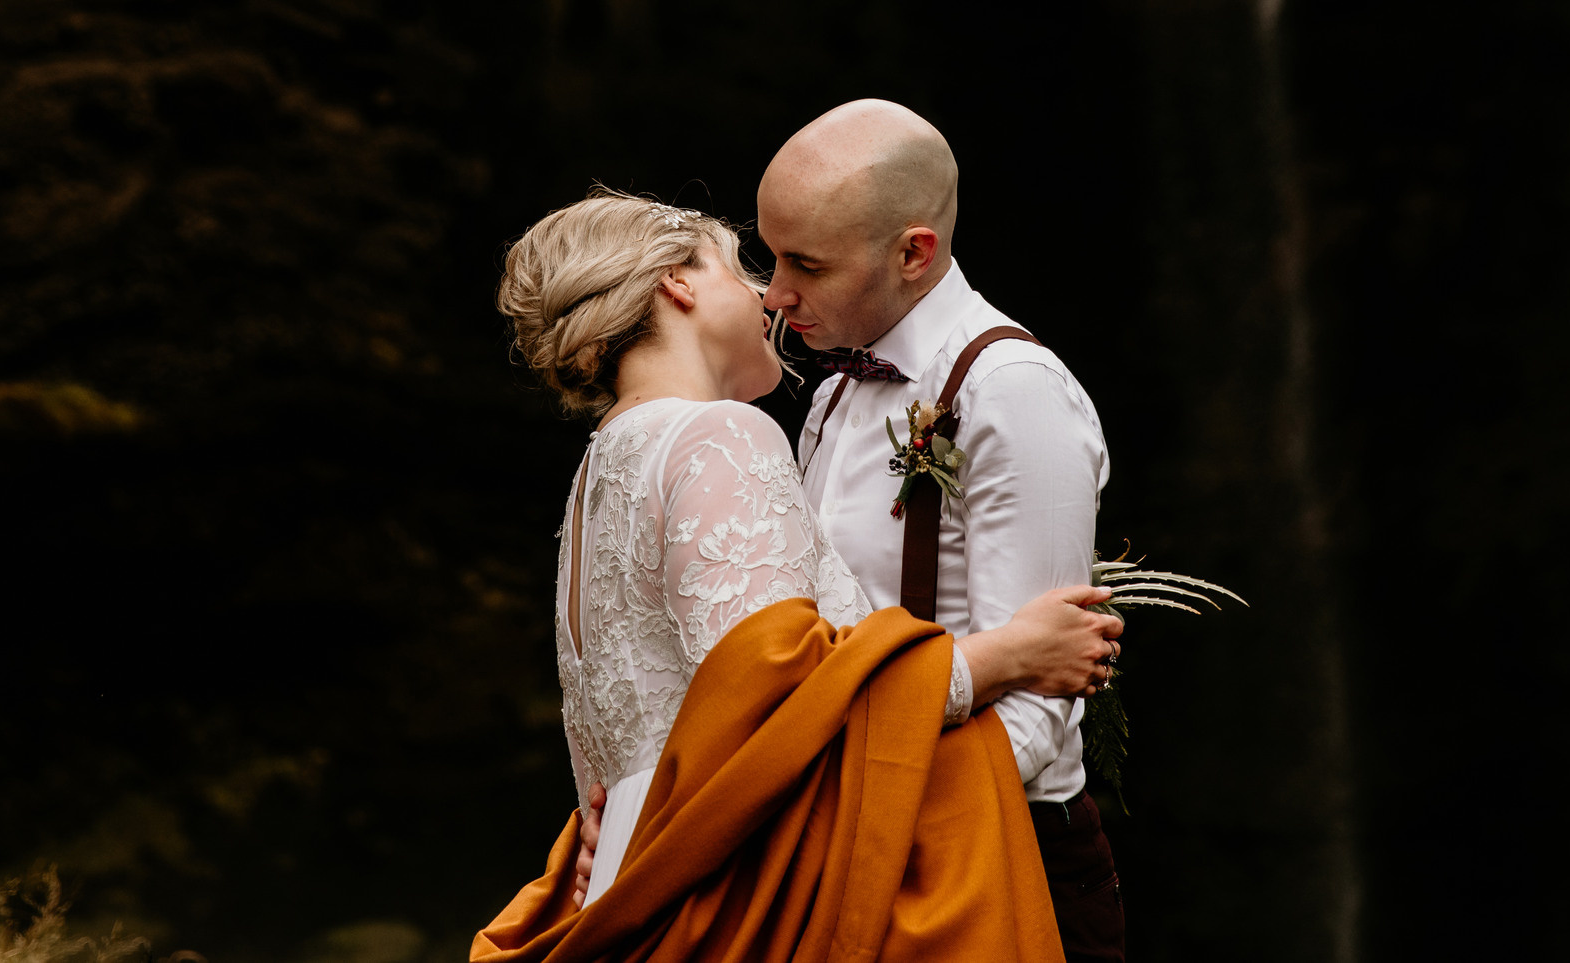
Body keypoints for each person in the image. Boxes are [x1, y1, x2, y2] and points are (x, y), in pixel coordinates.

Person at [473, 189, 1122, 963]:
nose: (768, 295)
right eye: (742, 266)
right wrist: (1009, 654)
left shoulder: (596, 475)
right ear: (677, 283)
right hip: (746, 894)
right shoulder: (719, 433)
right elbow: (782, 703)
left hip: (646, 875)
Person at [757, 101, 1125, 963]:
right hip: (859, 847)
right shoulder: (833, 392)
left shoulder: (1013, 391)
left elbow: (1042, 703)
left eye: (804, 264)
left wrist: (853, 796)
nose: (773, 294)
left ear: (914, 252)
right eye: (772, 256)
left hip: (997, 860)